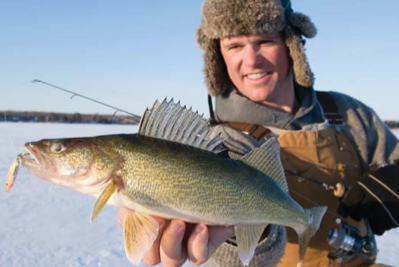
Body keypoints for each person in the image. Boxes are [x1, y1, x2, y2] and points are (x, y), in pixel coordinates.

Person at [119, 0, 399, 266]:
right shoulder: (213, 145)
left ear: (291, 44)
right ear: (218, 56)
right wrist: (235, 234)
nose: (251, 60)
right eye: (235, 45)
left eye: (264, 41)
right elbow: (237, 261)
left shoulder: (346, 113)